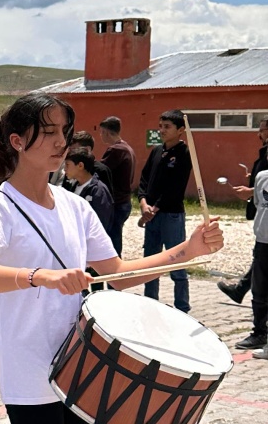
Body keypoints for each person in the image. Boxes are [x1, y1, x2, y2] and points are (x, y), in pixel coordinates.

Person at [0, 93, 222, 424]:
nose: (60, 141)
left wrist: (188, 251)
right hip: (27, 364)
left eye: (64, 132)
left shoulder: (75, 206)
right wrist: (40, 276)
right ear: (17, 141)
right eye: (47, 132)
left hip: (80, 360)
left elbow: (117, 275)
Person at [137, 110, 193, 312]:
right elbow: (143, 179)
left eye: (167, 127)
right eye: (160, 126)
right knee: (150, 262)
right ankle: (150, 303)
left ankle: (182, 308)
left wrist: (156, 207)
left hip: (171, 215)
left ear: (180, 130)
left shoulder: (185, 154)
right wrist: (143, 203)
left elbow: (175, 187)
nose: (162, 130)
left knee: (176, 262)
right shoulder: (156, 151)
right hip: (150, 215)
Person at [217, 117, 268, 310]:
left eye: (263, 130)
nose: (259, 134)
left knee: (261, 256)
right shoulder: (263, 152)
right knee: (260, 255)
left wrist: (251, 190)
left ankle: (244, 291)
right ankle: (241, 289)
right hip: (262, 211)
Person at [232, 170, 268, 357]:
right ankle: (259, 333)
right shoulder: (262, 176)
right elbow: (258, 205)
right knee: (259, 291)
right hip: (262, 241)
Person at [98, 116, 136, 256]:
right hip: (124, 201)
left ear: (107, 132)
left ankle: (114, 273)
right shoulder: (126, 148)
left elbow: (100, 170)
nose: (101, 136)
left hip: (117, 202)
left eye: (102, 132)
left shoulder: (116, 150)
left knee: (112, 241)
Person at [64, 147, 113, 231]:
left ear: (80, 165)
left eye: (67, 165)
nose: (64, 169)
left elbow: (102, 223)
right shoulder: (73, 187)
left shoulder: (98, 191)